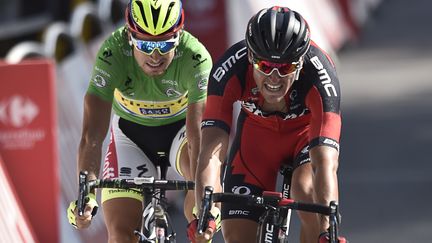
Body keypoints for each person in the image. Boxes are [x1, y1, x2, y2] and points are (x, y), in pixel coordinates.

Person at [190, 6, 347, 243]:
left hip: (303, 140)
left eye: (286, 68)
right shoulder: (230, 68)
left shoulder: (321, 75)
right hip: (255, 144)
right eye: (264, 67)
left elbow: (324, 163)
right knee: (237, 236)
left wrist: (327, 230)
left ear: (301, 62)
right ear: (251, 57)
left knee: (307, 192)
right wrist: (206, 213)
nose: (274, 78)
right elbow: (211, 152)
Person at [66, 0, 212, 242]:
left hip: (180, 135)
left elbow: (197, 136)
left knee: (199, 212)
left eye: (165, 44)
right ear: (130, 35)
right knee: (120, 235)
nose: (154, 56)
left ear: (179, 34)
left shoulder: (195, 57)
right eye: (145, 44)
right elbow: (92, 135)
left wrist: (203, 205)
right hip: (130, 137)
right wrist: (86, 195)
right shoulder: (112, 53)